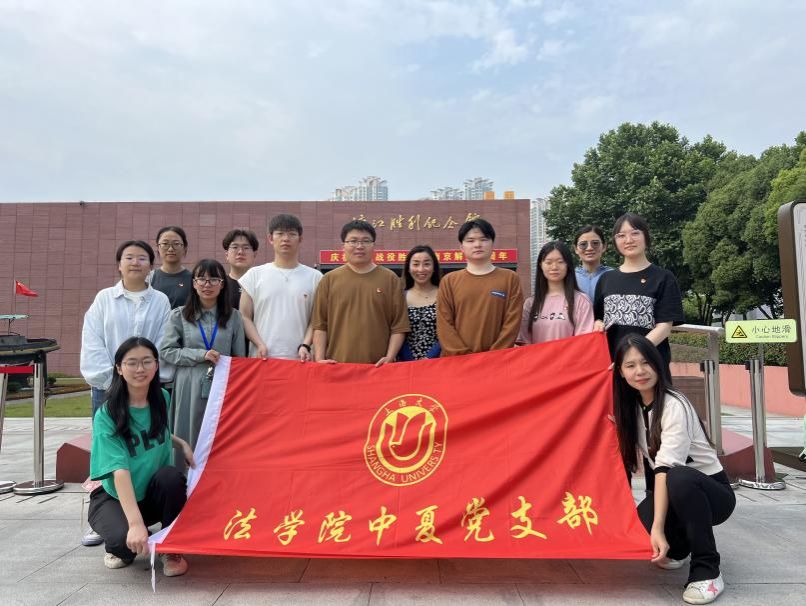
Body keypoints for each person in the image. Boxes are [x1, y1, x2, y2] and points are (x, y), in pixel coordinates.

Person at [613, 334, 735, 605]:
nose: (639, 371)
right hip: (675, 488)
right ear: (620, 372)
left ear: (658, 363)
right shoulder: (630, 408)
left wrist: (659, 528)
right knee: (641, 525)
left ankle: (707, 570)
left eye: (646, 362)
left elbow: (665, 470)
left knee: (678, 480)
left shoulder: (674, 404)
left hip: (712, 494)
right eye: (630, 365)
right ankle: (679, 549)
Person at [88, 337, 194, 576]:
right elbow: (119, 470)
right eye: (132, 363)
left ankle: (170, 548)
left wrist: (181, 444)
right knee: (123, 544)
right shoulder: (107, 414)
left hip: (150, 494)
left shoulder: (161, 398)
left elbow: (152, 434)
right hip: (116, 497)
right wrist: (135, 524)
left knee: (171, 477)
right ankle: (119, 543)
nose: (140, 369)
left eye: (147, 361)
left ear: (156, 365)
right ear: (119, 368)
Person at [160, 260, 245, 460]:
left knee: (219, 435)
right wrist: (200, 354)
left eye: (214, 279)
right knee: (187, 433)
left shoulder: (234, 317)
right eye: (202, 279)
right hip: (188, 383)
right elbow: (167, 351)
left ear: (222, 284)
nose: (207, 285)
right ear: (194, 283)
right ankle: (184, 476)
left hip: (221, 385)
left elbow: (240, 358)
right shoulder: (179, 315)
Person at [81, 240, 172, 418]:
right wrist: (112, 380)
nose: (135, 263)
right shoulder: (104, 298)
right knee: (109, 434)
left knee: (149, 434)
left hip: (148, 388)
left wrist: (145, 376)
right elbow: (92, 341)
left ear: (151, 267)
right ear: (119, 265)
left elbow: (164, 342)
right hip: (108, 387)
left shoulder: (161, 301)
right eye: (129, 258)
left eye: (142, 258)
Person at [593, 213, 684, 374]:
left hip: (651, 366)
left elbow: (664, 327)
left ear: (646, 237)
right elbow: (598, 317)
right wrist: (598, 323)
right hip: (614, 368)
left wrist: (632, 354)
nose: (628, 240)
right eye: (621, 235)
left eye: (635, 233)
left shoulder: (663, 278)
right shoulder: (606, 279)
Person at [312, 220, 409, 365]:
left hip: (378, 367)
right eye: (353, 241)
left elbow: (399, 325)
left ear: (373, 245)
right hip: (337, 366)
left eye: (365, 241)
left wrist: (390, 356)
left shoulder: (390, 279)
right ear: (343, 246)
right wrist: (320, 359)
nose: (359, 246)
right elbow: (320, 324)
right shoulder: (329, 280)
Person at [239, 214, 322, 360]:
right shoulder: (254, 275)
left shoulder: (315, 277)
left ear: (300, 239)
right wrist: (259, 344)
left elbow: (316, 319)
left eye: (292, 234)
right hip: (262, 358)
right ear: (270, 238)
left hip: (301, 359)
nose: (286, 239)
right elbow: (245, 316)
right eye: (280, 233)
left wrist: (305, 345)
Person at [436, 218, 523, 356]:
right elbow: (444, 325)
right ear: (461, 247)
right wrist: (464, 356)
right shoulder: (449, 281)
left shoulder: (510, 278)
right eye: (470, 241)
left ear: (492, 243)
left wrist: (492, 357)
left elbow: (512, 323)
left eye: (483, 239)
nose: (477, 245)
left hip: (497, 361)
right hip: (457, 362)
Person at [517, 241, 593, 345]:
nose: (554, 267)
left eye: (560, 262)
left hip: (570, 356)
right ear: (541, 265)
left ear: (568, 265)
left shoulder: (581, 301)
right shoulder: (530, 304)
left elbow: (584, 342)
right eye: (548, 262)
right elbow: (524, 342)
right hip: (537, 356)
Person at [399, 245, 441, 361]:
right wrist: (410, 360)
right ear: (408, 268)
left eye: (426, 264)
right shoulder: (400, 297)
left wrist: (430, 356)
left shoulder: (444, 294)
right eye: (416, 264)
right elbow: (397, 330)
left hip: (439, 361)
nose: (421, 269)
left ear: (434, 267)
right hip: (407, 363)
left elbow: (449, 329)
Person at [150, 226, 193, 309]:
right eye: (165, 244)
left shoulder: (193, 279)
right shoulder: (149, 278)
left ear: (185, 248)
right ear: (158, 247)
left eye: (176, 244)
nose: (170, 249)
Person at [222, 228, 259, 310]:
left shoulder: (261, 284)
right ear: (226, 255)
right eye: (235, 247)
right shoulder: (220, 285)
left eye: (246, 248)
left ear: (254, 254)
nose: (240, 252)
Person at [574, 225, 612, 302]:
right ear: (576, 249)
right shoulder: (570, 277)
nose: (589, 248)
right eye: (583, 244)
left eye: (595, 243)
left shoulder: (613, 276)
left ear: (604, 246)